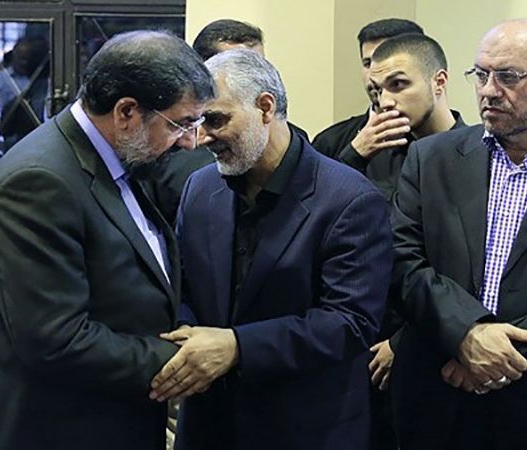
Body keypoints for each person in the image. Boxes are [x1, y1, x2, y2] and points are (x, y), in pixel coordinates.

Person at [0, 30, 214, 450]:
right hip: (57, 428)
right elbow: (56, 340)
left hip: (115, 415)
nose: (191, 141)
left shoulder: (121, 157)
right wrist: (185, 360)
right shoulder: (38, 183)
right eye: (181, 124)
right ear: (126, 111)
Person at [150, 49, 392, 450]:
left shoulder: (349, 199)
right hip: (210, 423)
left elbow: (350, 323)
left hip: (305, 427)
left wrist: (236, 347)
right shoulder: (201, 187)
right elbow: (181, 286)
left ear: (265, 107)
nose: (201, 138)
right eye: (195, 122)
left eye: (216, 120)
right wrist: (189, 338)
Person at [390, 19, 527, 450]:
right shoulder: (430, 158)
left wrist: (500, 353)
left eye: (508, 76)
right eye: (480, 74)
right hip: (438, 400)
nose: (489, 91)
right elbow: (401, 260)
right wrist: (467, 333)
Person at [360, 32, 466, 450]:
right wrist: (354, 155)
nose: (386, 101)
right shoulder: (370, 154)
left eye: (398, 85)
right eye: (377, 90)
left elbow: (468, 267)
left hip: (437, 350)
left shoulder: (477, 157)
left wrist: (404, 341)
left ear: (439, 82)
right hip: (362, 351)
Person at [136, 19, 307, 226]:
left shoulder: (294, 145)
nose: (255, 76)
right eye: (238, 65)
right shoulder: (168, 152)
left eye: (258, 65)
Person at [311, 18, 423, 161]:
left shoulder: (444, 141)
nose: (374, 74)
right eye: (367, 63)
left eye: (384, 62)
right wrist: (353, 155)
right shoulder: (331, 142)